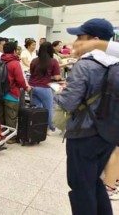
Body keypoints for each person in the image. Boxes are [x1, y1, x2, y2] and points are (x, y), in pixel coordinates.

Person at [54, 18, 117, 215]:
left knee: (80, 185)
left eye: (81, 36)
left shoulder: (85, 65)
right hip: (108, 131)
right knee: (95, 182)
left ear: (95, 39)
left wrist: (59, 94)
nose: (76, 40)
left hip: (84, 133)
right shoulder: (116, 62)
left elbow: (69, 103)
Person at [0, 43, 31, 136]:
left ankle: (1, 135)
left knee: (0, 117)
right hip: (11, 93)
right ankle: (10, 138)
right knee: (11, 117)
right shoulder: (15, 63)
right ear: (15, 51)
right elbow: (20, 79)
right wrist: (26, 88)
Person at [29, 41, 61, 135]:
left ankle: (38, 127)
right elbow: (57, 77)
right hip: (44, 87)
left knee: (37, 108)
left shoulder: (34, 60)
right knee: (49, 109)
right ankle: (52, 128)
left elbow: (32, 72)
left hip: (32, 86)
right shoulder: (53, 61)